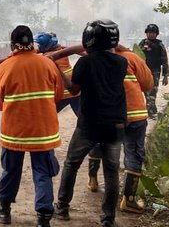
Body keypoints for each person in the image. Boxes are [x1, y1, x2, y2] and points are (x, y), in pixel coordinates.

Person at [54, 19, 128, 227]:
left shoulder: (86, 62)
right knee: (112, 172)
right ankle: (108, 218)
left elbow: (74, 90)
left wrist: (58, 68)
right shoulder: (122, 62)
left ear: (91, 39)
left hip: (89, 125)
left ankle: (62, 207)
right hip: (116, 125)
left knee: (71, 164)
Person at [0, 25, 65, 227]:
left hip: (14, 132)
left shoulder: (5, 67)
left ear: (12, 44)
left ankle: (4, 211)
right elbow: (58, 95)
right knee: (43, 173)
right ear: (32, 42)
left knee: (10, 171)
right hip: (43, 132)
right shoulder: (47, 64)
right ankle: (43, 219)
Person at [82, 44, 154, 212]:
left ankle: (93, 180)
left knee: (99, 145)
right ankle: (128, 200)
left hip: (107, 115)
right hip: (134, 114)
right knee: (134, 152)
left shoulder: (92, 60)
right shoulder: (131, 57)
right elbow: (148, 84)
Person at [34, 32, 81, 116]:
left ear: (46, 45)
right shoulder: (61, 51)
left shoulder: (47, 57)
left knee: (47, 116)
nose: (38, 47)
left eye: (40, 45)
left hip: (62, 94)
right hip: (75, 92)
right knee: (82, 118)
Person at [139, 23, 169, 120]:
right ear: (146, 33)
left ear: (156, 34)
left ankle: (150, 111)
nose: (151, 34)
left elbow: (165, 60)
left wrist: (165, 76)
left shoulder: (160, 45)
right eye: (149, 32)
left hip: (155, 72)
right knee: (147, 92)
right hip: (144, 71)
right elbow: (137, 57)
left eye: (153, 33)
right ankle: (152, 109)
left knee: (153, 91)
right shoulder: (142, 44)